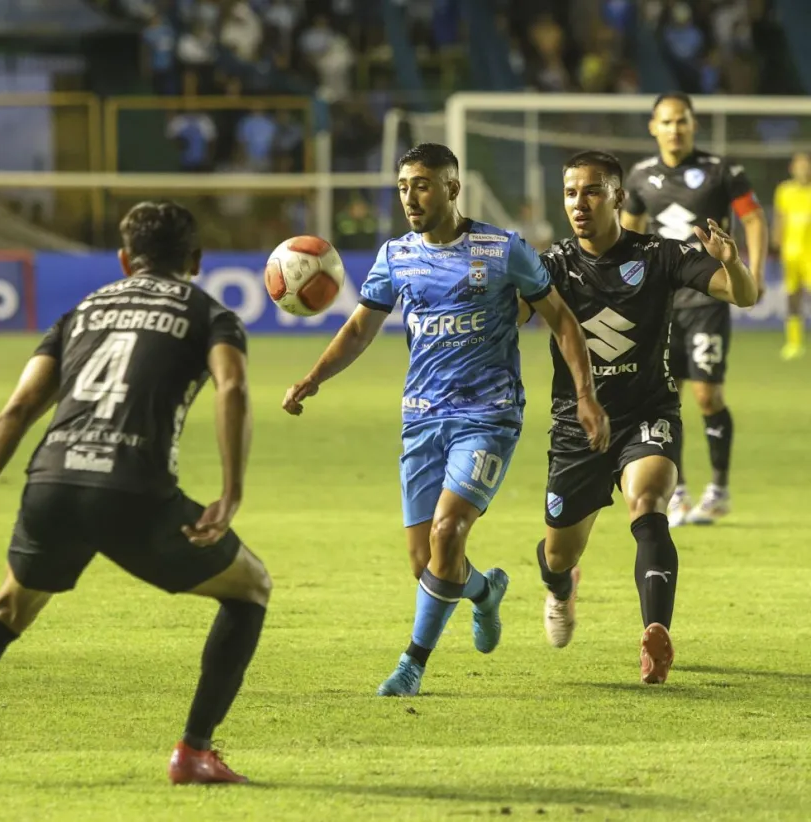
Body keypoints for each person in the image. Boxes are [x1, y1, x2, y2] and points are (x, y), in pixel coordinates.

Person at [0, 201, 270, 786]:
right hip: (132, 491)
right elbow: (234, 386)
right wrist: (232, 491)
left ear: (123, 260)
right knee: (250, 587)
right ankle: (194, 751)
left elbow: (15, 411)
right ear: (196, 260)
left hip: (53, 484)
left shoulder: (81, 312)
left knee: (9, 608)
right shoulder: (209, 313)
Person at [282, 143, 608, 697]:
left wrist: (586, 395)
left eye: (424, 184)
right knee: (426, 562)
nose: (411, 196)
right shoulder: (396, 256)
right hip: (421, 420)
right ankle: (485, 592)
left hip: (488, 416)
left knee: (448, 530)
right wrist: (313, 378)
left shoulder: (501, 249)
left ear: (453, 189)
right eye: (405, 185)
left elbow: (562, 320)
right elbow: (361, 328)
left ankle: (412, 664)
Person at [522, 151, 757, 684]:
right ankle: (561, 588)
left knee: (649, 504)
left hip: (649, 411)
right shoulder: (551, 264)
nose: (579, 204)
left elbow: (742, 296)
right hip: (576, 424)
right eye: (570, 193)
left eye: (591, 191)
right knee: (558, 553)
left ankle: (656, 634)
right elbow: (511, 314)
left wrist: (732, 263)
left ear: (619, 197)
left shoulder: (659, 255)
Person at [621, 92, 768, 527]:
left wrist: (752, 271)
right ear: (653, 127)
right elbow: (629, 234)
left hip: (707, 300)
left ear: (693, 125)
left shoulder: (720, 170)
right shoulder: (641, 176)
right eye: (666, 122)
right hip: (661, 305)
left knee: (707, 395)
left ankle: (718, 489)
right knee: (667, 398)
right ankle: (678, 492)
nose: (674, 129)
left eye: (681, 121)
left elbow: (754, 218)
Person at [772, 151, 811, 360]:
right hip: (790, 254)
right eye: (799, 165)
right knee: (793, 299)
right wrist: (776, 243)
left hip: (810, 255)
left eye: (806, 165)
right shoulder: (784, 191)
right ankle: (794, 343)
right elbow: (780, 218)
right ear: (792, 168)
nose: (803, 169)